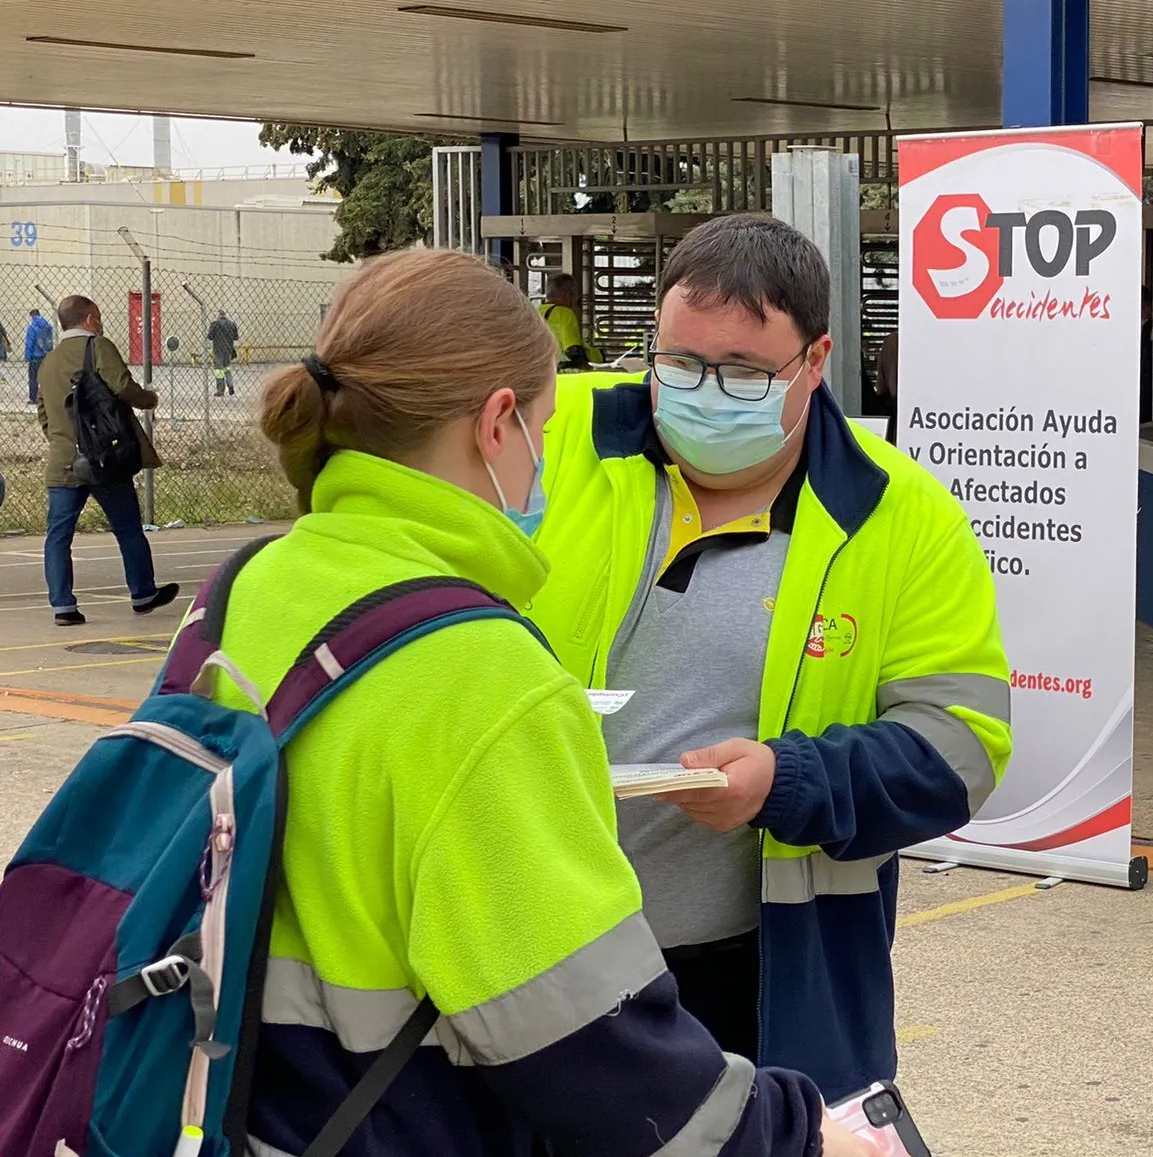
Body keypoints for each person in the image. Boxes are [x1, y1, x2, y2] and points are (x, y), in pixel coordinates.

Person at [224, 247, 872, 1157]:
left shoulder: (244, 587)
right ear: (498, 425)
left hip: (236, 1109)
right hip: (398, 1124)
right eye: (541, 429)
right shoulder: (482, 673)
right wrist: (805, 1139)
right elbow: (587, 1049)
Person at [526, 213, 1012, 1105]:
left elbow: (961, 751)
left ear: (816, 361)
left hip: (751, 979)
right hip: (526, 955)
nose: (702, 392)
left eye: (744, 372)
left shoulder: (901, 516)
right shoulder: (551, 439)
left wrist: (786, 783)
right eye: (678, 362)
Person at [38, 295, 179, 627]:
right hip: (104, 457)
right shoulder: (99, 347)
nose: (100, 322)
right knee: (128, 528)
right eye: (97, 317)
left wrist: (63, 441)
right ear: (89, 319)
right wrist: (151, 397)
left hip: (64, 461)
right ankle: (143, 593)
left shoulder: (48, 362)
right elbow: (123, 387)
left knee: (58, 535)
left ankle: (63, 606)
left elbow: (44, 414)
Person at [541, 272, 590, 369]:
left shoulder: (536, 311)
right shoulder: (564, 313)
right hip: (559, 372)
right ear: (569, 295)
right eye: (575, 296)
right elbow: (573, 350)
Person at [207, 307, 240, 397]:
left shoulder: (215, 324)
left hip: (218, 350)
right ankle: (230, 385)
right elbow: (236, 337)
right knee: (227, 368)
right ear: (225, 315)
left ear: (218, 315)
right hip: (228, 350)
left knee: (218, 370)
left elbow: (210, 337)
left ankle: (220, 390)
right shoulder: (232, 324)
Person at [25, 306, 54, 404]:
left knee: (33, 378)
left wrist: (27, 356)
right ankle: (47, 396)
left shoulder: (32, 327)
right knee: (45, 377)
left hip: (34, 357)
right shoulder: (48, 326)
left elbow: (30, 343)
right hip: (45, 356)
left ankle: (34, 398)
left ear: (32, 315)